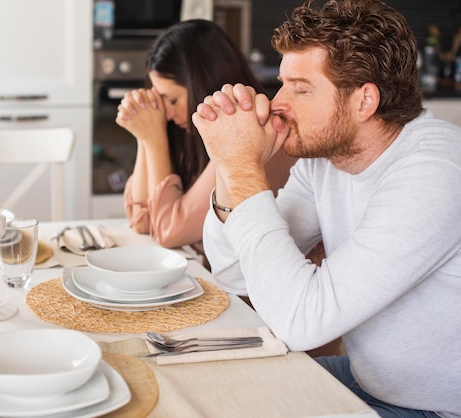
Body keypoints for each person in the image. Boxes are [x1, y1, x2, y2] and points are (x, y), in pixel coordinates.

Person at [192, 0, 461, 417]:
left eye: (300, 88)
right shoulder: (325, 162)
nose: (278, 102)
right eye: (282, 84)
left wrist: (245, 168)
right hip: (371, 379)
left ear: (364, 101)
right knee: (210, 393)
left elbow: (301, 322)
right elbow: (234, 272)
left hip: (434, 407)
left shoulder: (436, 171)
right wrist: (229, 164)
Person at [116, 19, 271, 257]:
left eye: (173, 100)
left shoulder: (248, 127)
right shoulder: (187, 133)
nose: (166, 114)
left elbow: (169, 232)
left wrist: (153, 140)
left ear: (205, 82)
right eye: (161, 100)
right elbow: (143, 222)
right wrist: (144, 134)